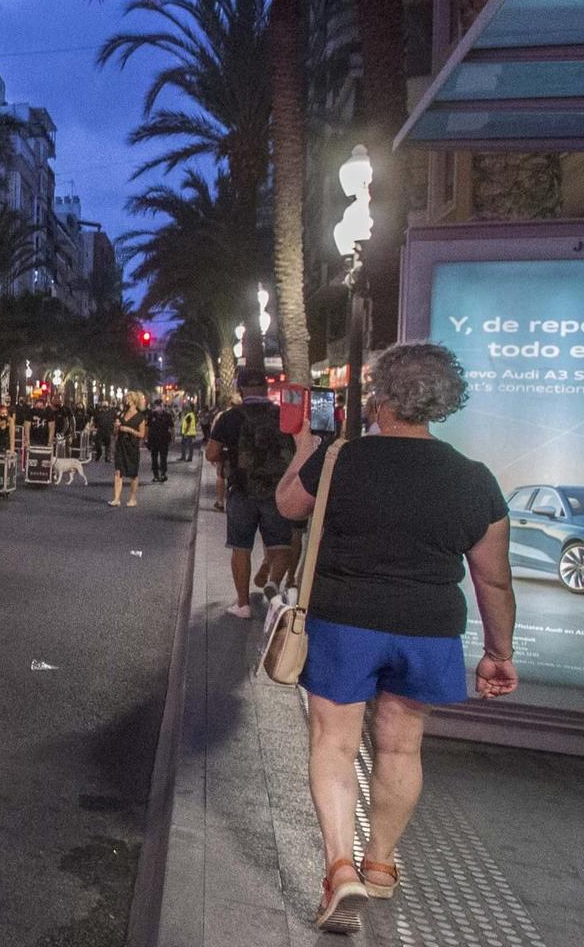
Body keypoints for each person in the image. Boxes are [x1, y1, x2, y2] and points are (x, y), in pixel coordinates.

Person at [273, 344, 516, 934]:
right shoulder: (474, 480)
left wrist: (304, 448)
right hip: (427, 629)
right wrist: (498, 653)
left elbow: (286, 506)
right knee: (402, 746)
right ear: (443, 402)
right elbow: (493, 579)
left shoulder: (339, 459)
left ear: (381, 395)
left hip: (344, 621)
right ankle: (379, 864)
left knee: (334, 743)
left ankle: (338, 869)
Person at [206, 372, 295, 617]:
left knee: (240, 548)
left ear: (241, 389)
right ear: (266, 390)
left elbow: (211, 454)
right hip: (277, 491)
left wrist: (228, 457)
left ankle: (243, 605)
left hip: (241, 490)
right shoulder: (282, 415)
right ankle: (273, 584)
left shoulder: (230, 417)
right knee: (282, 546)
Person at [109, 391, 146, 507]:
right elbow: (115, 433)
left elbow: (142, 434)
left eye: (128, 399)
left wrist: (129, 430)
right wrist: (116, 427)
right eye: (126, 399)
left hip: (132, 447)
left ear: (134, 401)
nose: (126, 401)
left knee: (133, 474)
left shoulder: (140, 417)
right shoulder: (121, 414)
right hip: (121, 446)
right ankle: (116, 498)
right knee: (118, 472)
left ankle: (132, 498)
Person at [145, 398, 175, 483]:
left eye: (160, 405)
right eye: (157, 406)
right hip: (153, 440)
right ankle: (155, 475)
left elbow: (171, 427)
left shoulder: (167, 415)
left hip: (164, 440)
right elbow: (147, 427)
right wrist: (146, 438)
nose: (158, 407)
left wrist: (173, 438)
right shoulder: (151, 415)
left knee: (163, 458)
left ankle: (163, 474)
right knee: (154, 458)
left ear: (162, 405)